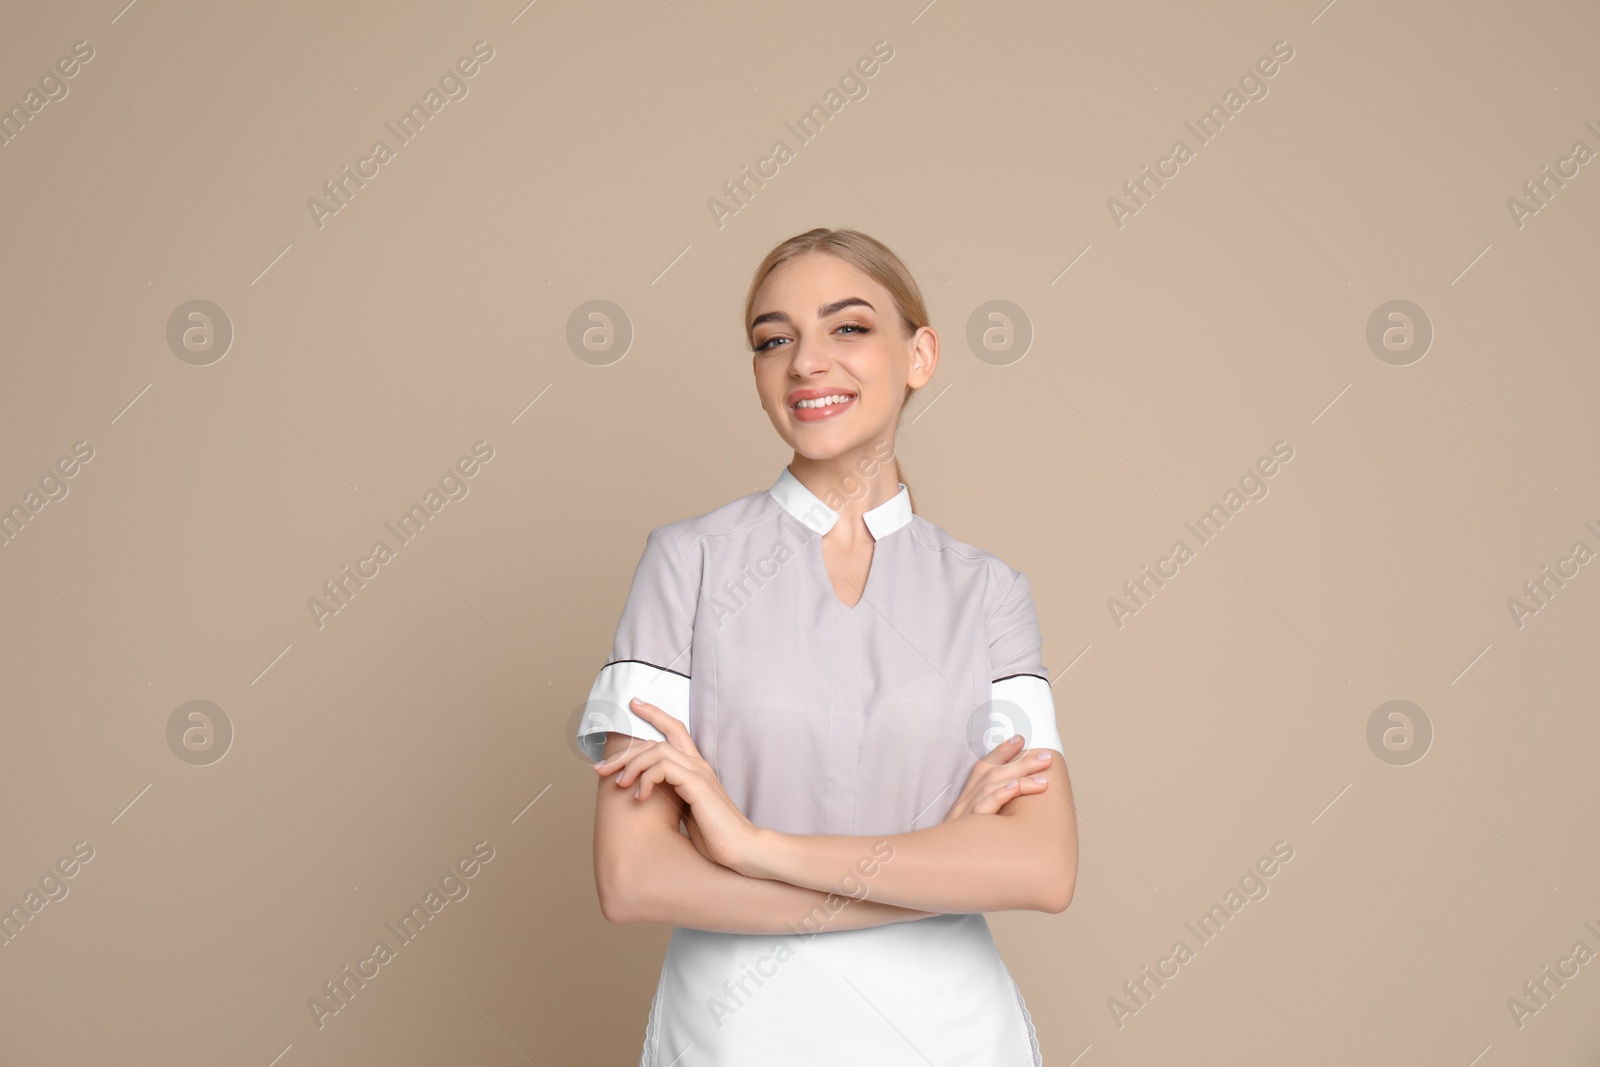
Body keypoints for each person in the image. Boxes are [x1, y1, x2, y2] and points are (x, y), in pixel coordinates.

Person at [577, 227, 1078, 1065]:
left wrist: (754, 847)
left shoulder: (987, 591)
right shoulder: (687, 564)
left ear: (919, 354)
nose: (807, 361)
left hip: (948, 1035)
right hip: (738, 1033)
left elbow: (1042, 867)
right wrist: (927, 874)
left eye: (847, 327)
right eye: (775, 339)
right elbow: (633, 878)